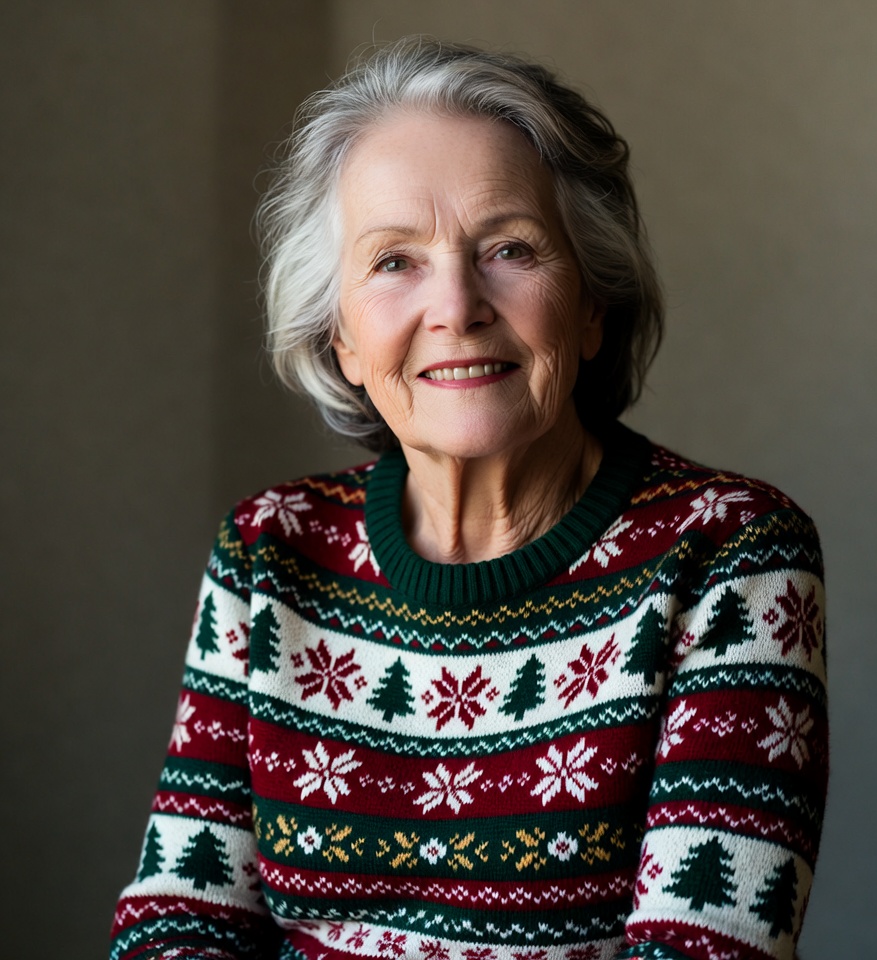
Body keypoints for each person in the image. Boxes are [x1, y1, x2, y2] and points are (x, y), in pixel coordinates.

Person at [111, 37, 827, 960]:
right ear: (340, 338)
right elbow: (183, 918)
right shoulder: (268, 549)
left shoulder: (730, 551)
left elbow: (706, 947)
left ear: (592, 304)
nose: (456, 305)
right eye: (394, 262)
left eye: (510, 249)